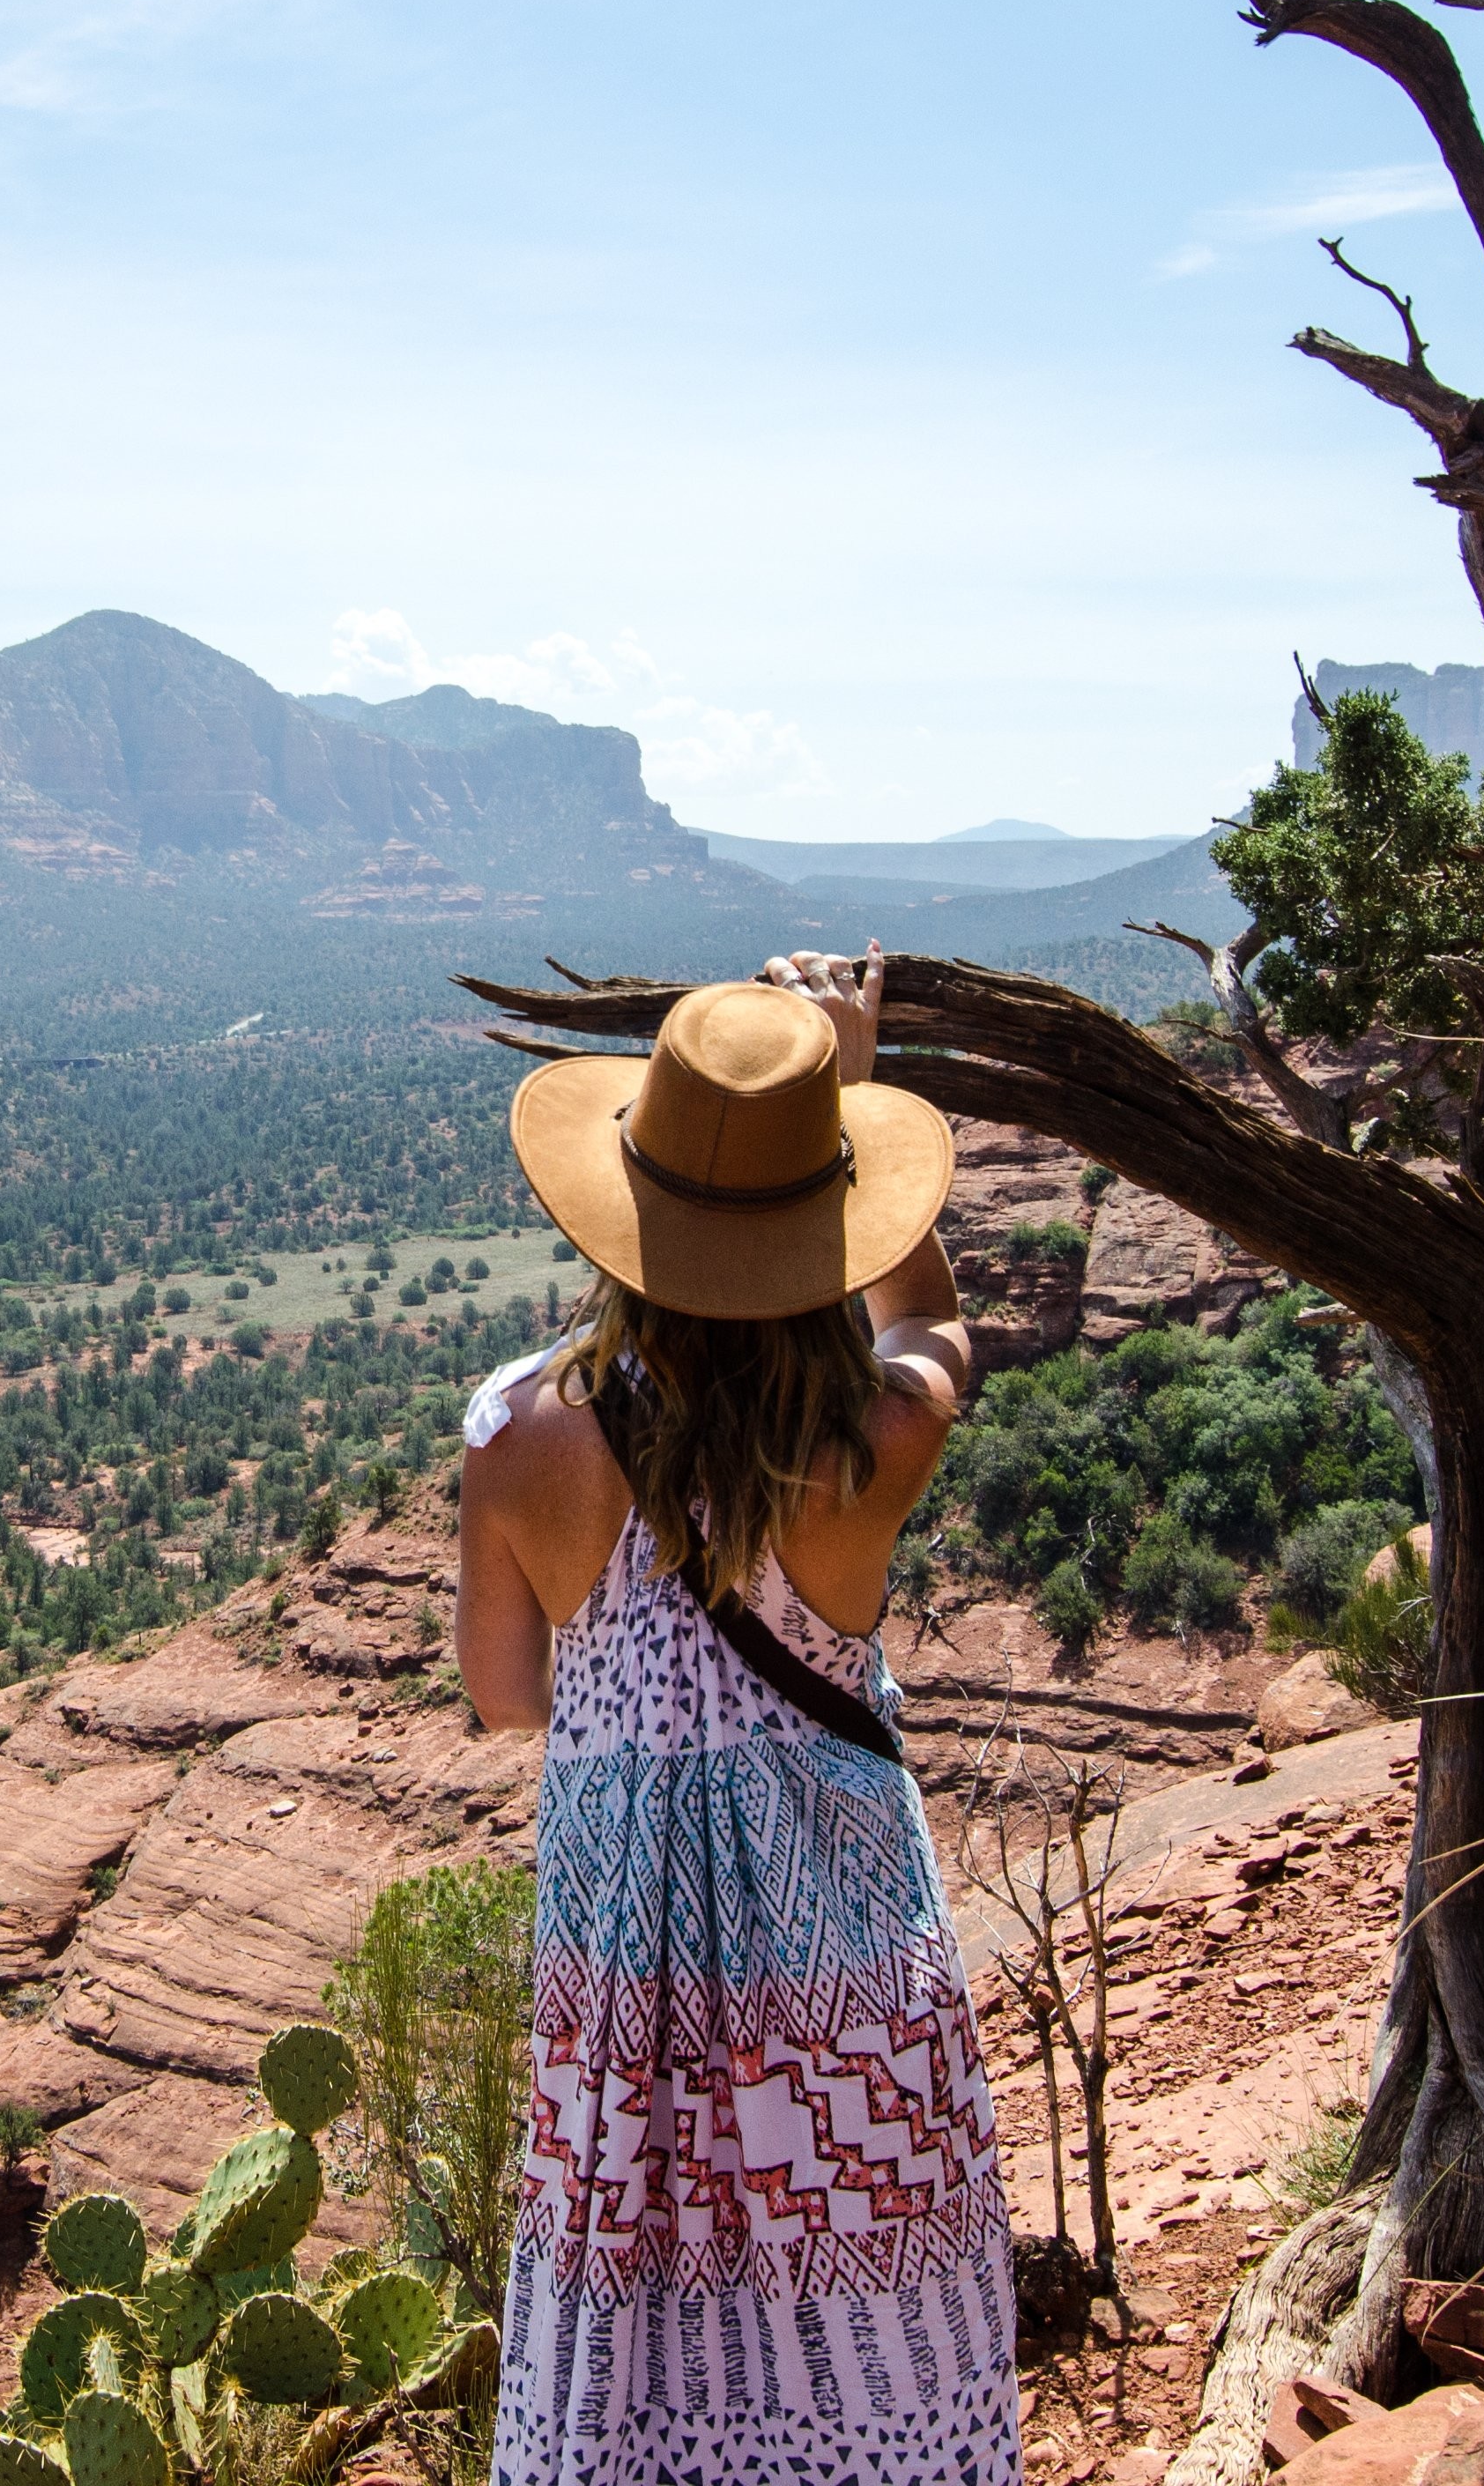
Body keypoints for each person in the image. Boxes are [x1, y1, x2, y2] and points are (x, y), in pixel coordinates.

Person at [458, 943, 1018, 2484]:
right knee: (871, 2336)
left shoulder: (515, 1437)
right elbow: (934, 1324)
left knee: (635, 2341)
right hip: (840, 1980)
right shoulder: (874, 1438)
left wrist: (642, 1700)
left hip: (620, 1983)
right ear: (825, 1218)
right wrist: (850, 1088)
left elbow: (508, 1698)